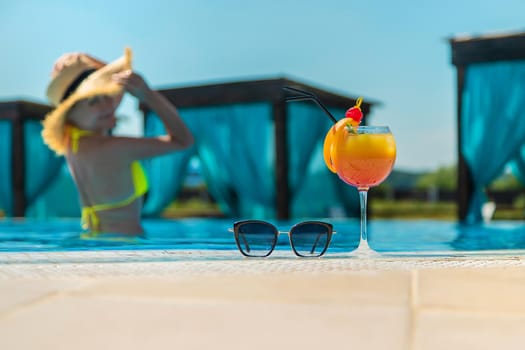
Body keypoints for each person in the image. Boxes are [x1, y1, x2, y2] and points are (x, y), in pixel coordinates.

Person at [42, 48, 194, 236]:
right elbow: (183, 140)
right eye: (93, 101)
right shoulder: (113, 148)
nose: (107, 105)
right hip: (124, 243)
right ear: (70, 114)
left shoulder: (72, 145)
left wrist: (83, 60)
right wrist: (148, 95)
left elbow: (119, 82)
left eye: (107, 95)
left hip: (93, 238)